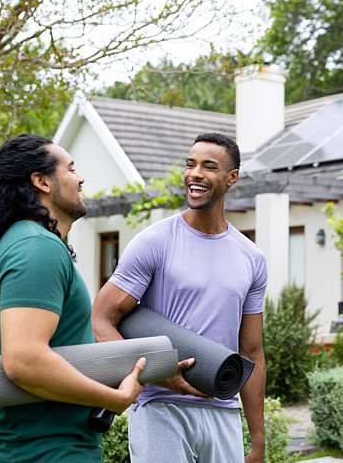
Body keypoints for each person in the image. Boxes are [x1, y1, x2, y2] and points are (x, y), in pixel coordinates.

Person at [90, 132, 267, 463]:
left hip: (223, 410)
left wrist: (257, 439)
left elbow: (251, 351)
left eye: (208, 166)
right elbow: (102, 318)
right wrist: (151, 371)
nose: (195, 173)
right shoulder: (154, 241)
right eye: (190, 164)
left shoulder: (252, 257)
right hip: (161, 408)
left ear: (232, 178)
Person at [0, 134, 146, 462]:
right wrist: (114, 398)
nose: (81, 178)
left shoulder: (24, 243)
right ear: (41, 182)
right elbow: (24, 359)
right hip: (41, 452)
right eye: (71, 168)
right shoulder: (36, 247)